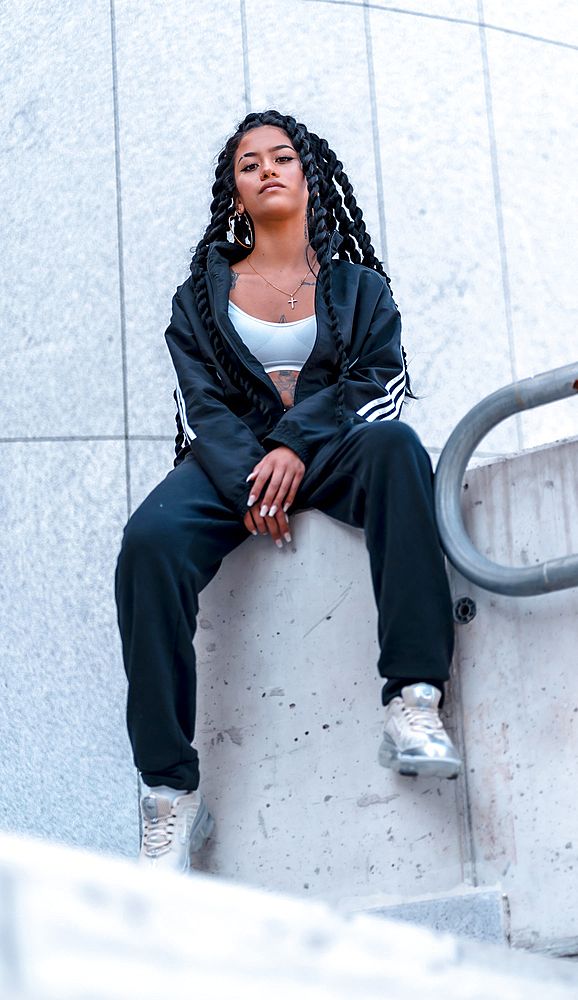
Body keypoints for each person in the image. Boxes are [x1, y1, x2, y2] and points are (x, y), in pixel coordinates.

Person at [115, 110, 461, 874]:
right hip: (231, 471)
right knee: (148, 544)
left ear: (308, 175)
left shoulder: (359, 287)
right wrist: (254, 473)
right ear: (234, 192)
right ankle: (169, 791)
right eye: (249, 164)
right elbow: (199, 410)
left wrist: (293, 447)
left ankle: (412, 701)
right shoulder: (199, 299)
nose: (266, 170)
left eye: (281, 158)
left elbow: (378, 386)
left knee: (399, 451)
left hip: (332, 451)